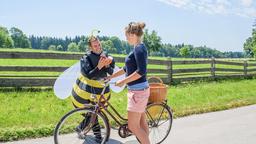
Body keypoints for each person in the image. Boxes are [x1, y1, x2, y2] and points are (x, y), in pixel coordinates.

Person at [105, 22, 150, 144]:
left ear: (133, 34)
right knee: (141, 123)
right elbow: (126, 68)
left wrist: (123, 81)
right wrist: (111, 77)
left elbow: (141, 72)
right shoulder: (137, 48)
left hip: (138, 93)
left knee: (133, 127)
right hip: (139, 91)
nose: (126, 38)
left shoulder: (139, 49)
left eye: (126, 36)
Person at [71, 35, 115, 143]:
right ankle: (98, 137)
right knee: (93, 112)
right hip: (87, 91)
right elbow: (89, 75)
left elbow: (111, 72)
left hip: (101, 91)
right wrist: (99, 67)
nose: (98, 47)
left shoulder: (105, 55)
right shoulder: (86, 58)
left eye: (99, 44)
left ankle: (85, 129)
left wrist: (106, 65)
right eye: (95, 46)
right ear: (90, 47)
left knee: (95, 112)